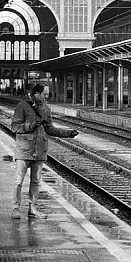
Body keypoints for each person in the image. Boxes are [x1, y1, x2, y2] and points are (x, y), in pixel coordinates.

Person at [10, 82, 79, 219]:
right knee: (18, 181)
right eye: (44, 94)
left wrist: (68, 133)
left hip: (40, 150)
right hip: (24, 150)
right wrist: (30, 126)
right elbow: (14, 127)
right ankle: (15, 208)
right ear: (36, 93)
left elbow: (49, 129)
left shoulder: (46, 108)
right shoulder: (22, 106)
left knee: (35, 181)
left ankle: (33, 208)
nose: (46, 97)